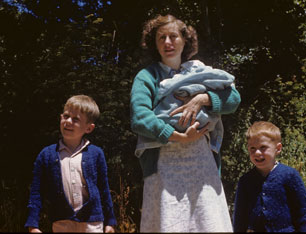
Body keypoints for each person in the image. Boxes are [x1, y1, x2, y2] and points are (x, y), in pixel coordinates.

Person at [130, 14, 241, 232]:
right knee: (169, 222)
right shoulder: (147, 76)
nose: (167, 43)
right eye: (161, 38)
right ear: (154, 43)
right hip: (163, 161)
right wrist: (178, 136)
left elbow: (234, 100)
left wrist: (203, 99)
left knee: (207, 221)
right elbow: (139, 116)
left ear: (185, 40)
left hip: (200, 161)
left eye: (173, 36)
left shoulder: (199, 71)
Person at [25, 95, 117, 233]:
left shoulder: (96, 153)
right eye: (66, 116)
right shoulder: (47, 154)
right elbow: (36, 192)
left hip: (92, 223)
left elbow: (104, 189)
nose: (68, 121)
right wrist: (33, 224)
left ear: (89, 128)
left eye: (75, 119)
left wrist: (110, 220)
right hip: (61, 222)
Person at [232, 121, 306, 232]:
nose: (257, 153)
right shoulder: (245, 181)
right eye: (252, 148)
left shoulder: (289, 175)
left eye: (263, 147)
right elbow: (240, 217)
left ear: (278, 148)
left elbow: (302, 212)